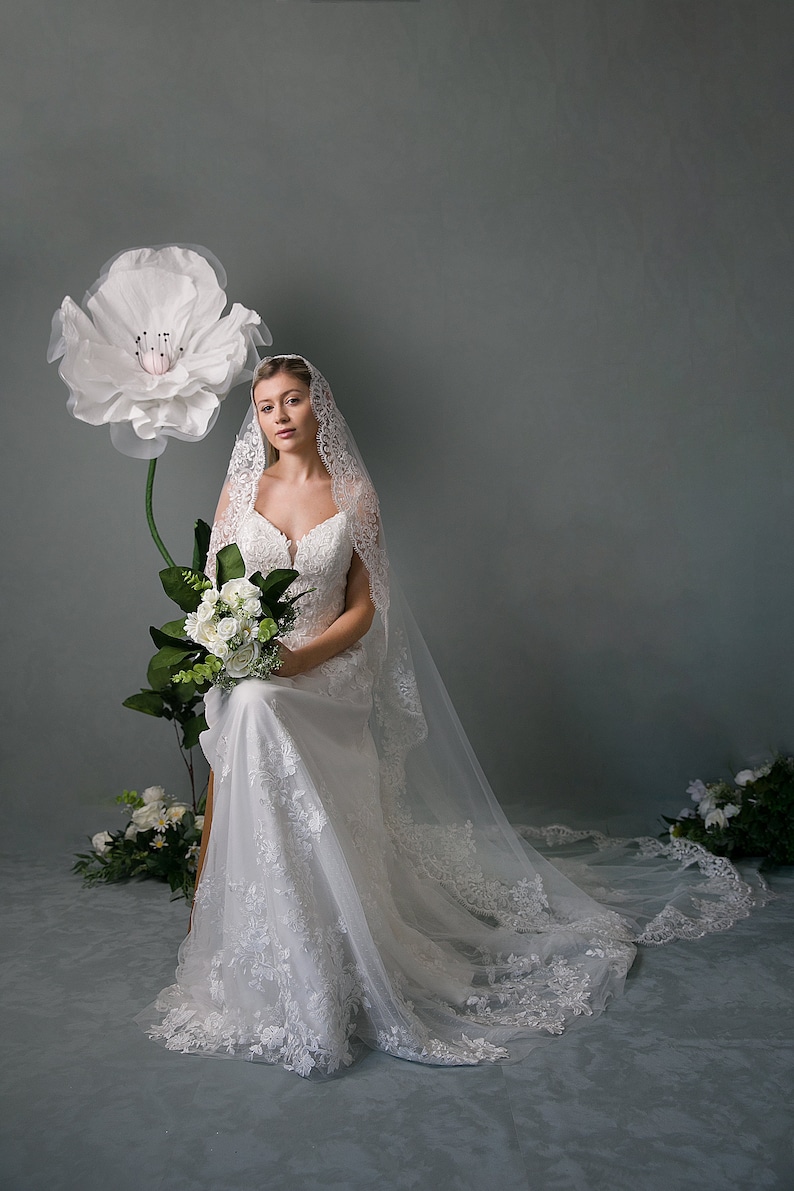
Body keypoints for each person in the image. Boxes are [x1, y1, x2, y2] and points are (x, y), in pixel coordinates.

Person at [137, 355, 759, 1078]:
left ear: (319, 406)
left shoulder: (356, 494)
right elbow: (217, 591)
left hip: (329, 674)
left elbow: (367, 607)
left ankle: (336, 955)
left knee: (258, 706)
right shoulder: (243, 488)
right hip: (259, 673)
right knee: (248, 703)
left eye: (294, 400)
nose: (279, 416)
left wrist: (303, 661)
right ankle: (282, 950)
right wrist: (241, 647)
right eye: (267, 405)